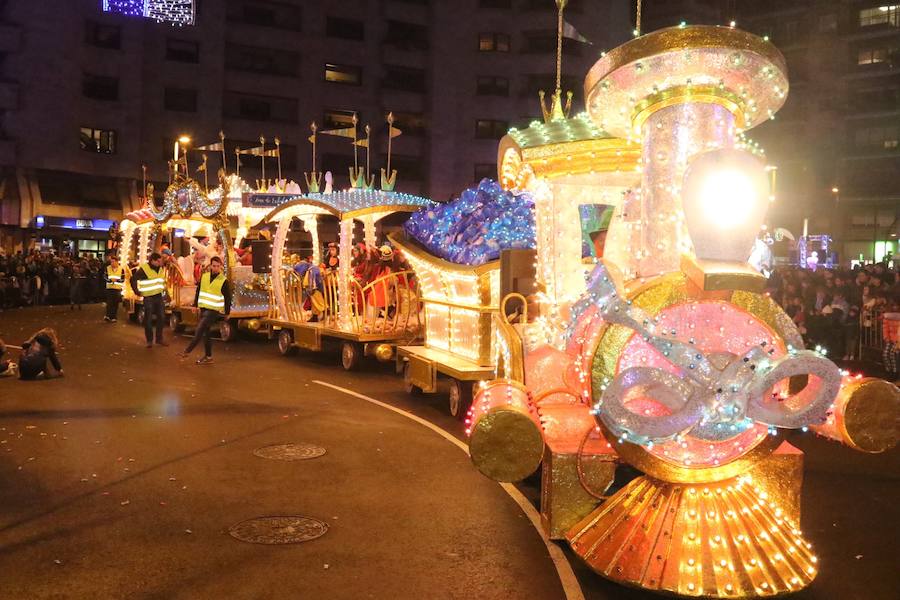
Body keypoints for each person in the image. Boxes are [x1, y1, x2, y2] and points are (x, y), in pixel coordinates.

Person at [178, 255, 230, 365]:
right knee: (206, 333)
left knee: (199, 330)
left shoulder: (223, 281)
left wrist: (227, 312)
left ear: (220, 266)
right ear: (210, 266)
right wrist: (195, 305)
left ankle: (186, 351)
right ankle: (208, 357)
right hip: (203, 308)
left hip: (213, 310)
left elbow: (228, 297)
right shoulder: (205, 276)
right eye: (213, 266)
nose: (215, 268)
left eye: (217, 266)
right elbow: (198, 291)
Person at [131, 252, 168, 348]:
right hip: (148, 297)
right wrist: (136, 291)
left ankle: (159, 339)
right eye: (158, 261)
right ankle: (149, 340)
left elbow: (162, 282)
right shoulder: (144, 269)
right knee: (148, 319)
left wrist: (166, 293)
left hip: (158, 296)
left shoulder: (160, 269)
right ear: (152, 261)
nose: (160, 263)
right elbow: (133, 279)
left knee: (162, 317)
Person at [104, 255, 124, 322]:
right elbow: (105, 277)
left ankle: (113, 317)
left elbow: (123, 279)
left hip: (117, 289)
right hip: (109, 288)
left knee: (115, 303)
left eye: (113, 262)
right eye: (111, 262)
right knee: (109, 302)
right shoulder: (108, 268)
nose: (112, 263)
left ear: (117, 262)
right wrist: (110, 280)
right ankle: (108, 316)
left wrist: (116, 280)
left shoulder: (121, 269)